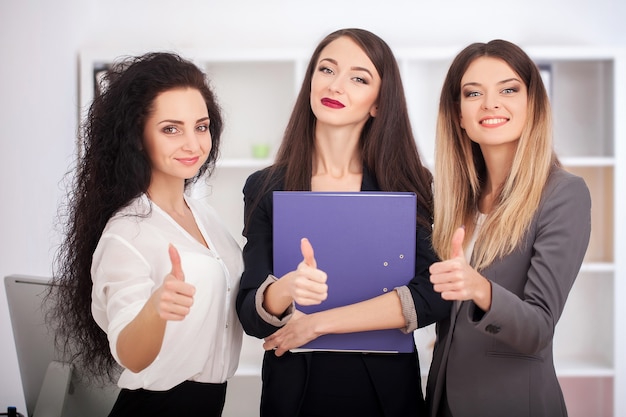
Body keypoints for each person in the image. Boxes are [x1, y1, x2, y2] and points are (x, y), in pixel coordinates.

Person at [235, 28, 451, 417]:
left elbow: (435, 294)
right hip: (295, 393)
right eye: (327, 69)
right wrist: (285, 289)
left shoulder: (411, 186)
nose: (336, 85)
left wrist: (317, 324)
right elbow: (251, 315)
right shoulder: (266, 187)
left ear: (379, 105)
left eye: (358, 78)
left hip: (385, 393)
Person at [47, 52, 243, 417]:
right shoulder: (126, 232)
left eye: (201, 127)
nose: (193, 143)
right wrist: (156, 308)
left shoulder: (206, 216)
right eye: (171, 128)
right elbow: (131, 354)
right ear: (137, 137)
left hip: (210, 404)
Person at [425, 39, 592, 417]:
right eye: (473, 93)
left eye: (509, 89)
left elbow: (538, 330)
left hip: (513, 403)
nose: (490, 104)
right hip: (443, 401)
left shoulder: (564, 194)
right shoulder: (456, 199)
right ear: (458, 115)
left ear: (532, 105)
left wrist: (480, 288)